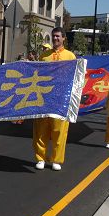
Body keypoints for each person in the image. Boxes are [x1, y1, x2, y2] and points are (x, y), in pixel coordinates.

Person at [32, 27, 76, 171]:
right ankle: (40, 157)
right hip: (44, 97)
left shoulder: (70, 57)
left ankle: (57, 159)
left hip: (61, 98)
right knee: (41, 128)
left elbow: (75, 78)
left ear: (63, 38)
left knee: (59, 130)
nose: (55, 39)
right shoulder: (44, 56)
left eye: (58, 36)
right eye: (53, 36)